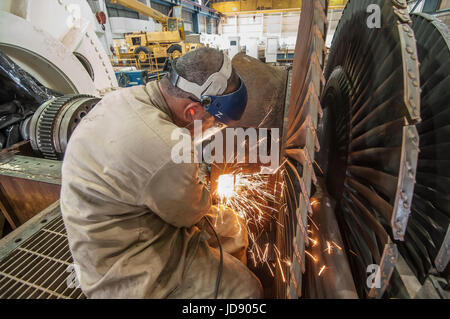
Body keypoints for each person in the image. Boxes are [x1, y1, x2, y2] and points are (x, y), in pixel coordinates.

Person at [60, 47, 263, 299]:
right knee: (248, 290)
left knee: (231, 227)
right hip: (124, 268)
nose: (214, 131)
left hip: (119, 224)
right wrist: (195, 175)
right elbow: (190, 215)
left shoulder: (125, 97)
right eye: (215, 124)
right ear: (192, 111)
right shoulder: (167, 146)